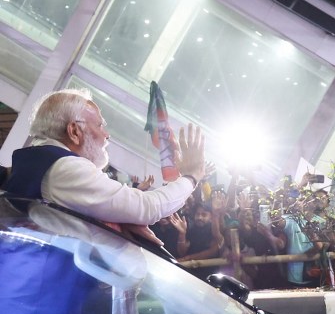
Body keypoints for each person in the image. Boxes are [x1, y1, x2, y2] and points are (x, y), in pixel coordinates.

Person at [4, 88, 205, 243]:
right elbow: (148, 207)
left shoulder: (38, 159)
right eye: (100, 125)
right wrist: (190, 177)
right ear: (74, 131)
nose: (106, 134)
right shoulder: (65, 168)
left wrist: (117, 221)